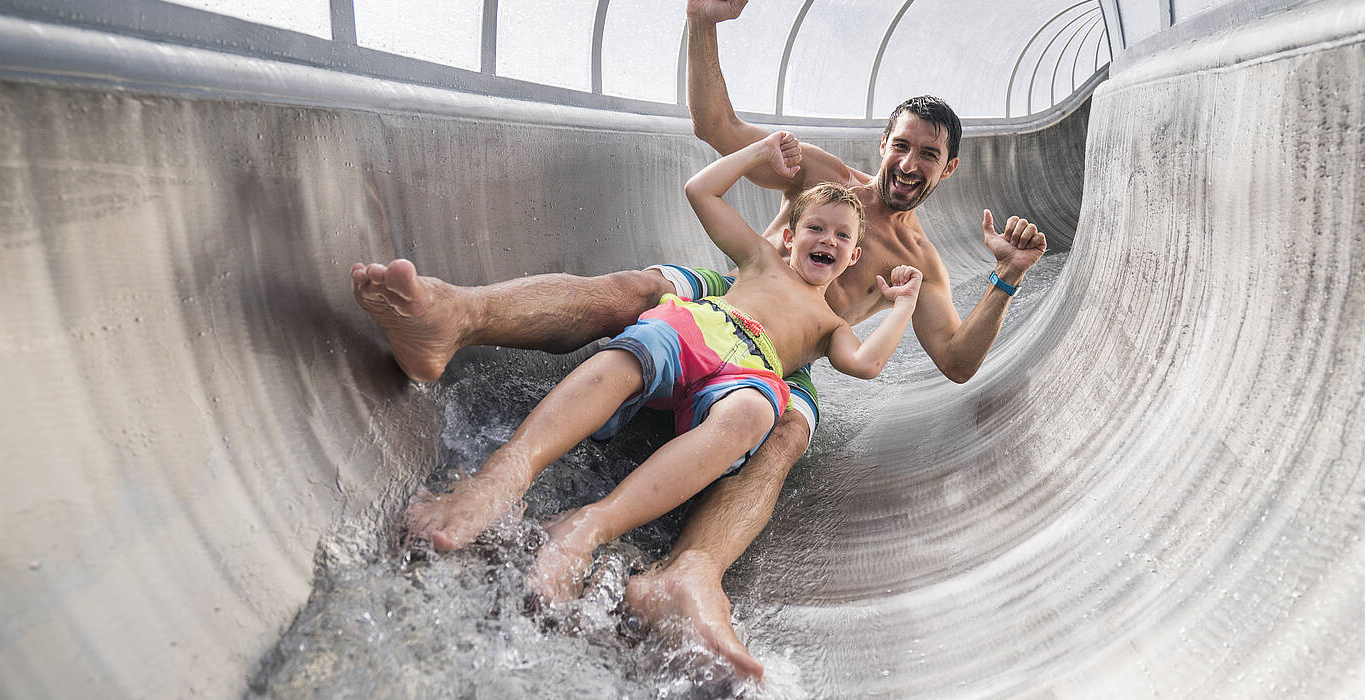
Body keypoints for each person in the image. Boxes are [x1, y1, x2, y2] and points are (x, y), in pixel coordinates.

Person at [353, 0, 1047, 677]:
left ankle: (688, 572)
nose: (909, 162)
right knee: (633, 290)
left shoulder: (918, 265)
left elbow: (956, 360)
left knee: (782, 438)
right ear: (884, 143)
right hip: (730, 293)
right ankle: (455, 317)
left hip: (788, 358)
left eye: (928, 154)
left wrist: (1005, 280)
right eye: (901, 144)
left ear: (947, 169)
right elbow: (715, 126)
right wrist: (702, 21)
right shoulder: (825, 179)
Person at [402, 131, 925, 608]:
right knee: (642, 346)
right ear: (789, 236)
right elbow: (702, 191)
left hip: (752, 370)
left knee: (750, 417)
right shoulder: (761, 260)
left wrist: (902, 306)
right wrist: (755, 154)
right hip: (704, 325)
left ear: (854, 257)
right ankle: (508, 473)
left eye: (840, 238)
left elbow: (866, 364)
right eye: (816, 228)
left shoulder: (830, 322)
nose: (827, 241)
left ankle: (590, 526)